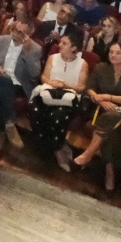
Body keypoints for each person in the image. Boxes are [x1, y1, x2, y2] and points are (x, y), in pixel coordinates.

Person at [75, 40, 121, 191]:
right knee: (110, 133)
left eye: (118, 53)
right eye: (111, 52)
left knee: (108, 118)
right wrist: (99, 99)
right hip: (102, 110)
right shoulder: (101, 68)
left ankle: (89, 153)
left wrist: (108, 97)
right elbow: (89, 89)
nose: (113, 55)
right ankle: (110, 172)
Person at [0, 18, 44, 152]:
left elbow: (34, 74)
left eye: (20, 32)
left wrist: (27, 53)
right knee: (3, 79)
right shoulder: (1, 40)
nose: (15, 33)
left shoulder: (35, 48)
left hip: (19, 85)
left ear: (28, 35)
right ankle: (10, 122)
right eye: (14, 29)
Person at [34, 33, 90, 171]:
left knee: (57, 115)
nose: (59, 45)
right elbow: (44, 77)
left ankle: (57, 150)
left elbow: (81, 88)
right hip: (49, 93)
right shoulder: (52, 58)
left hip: (68, 99)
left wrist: (65, 85)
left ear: (74, 48)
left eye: (64, 43)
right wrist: (51, 83)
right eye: (60, 42)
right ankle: (59, 145)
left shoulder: (82, 64)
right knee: (34, 108)